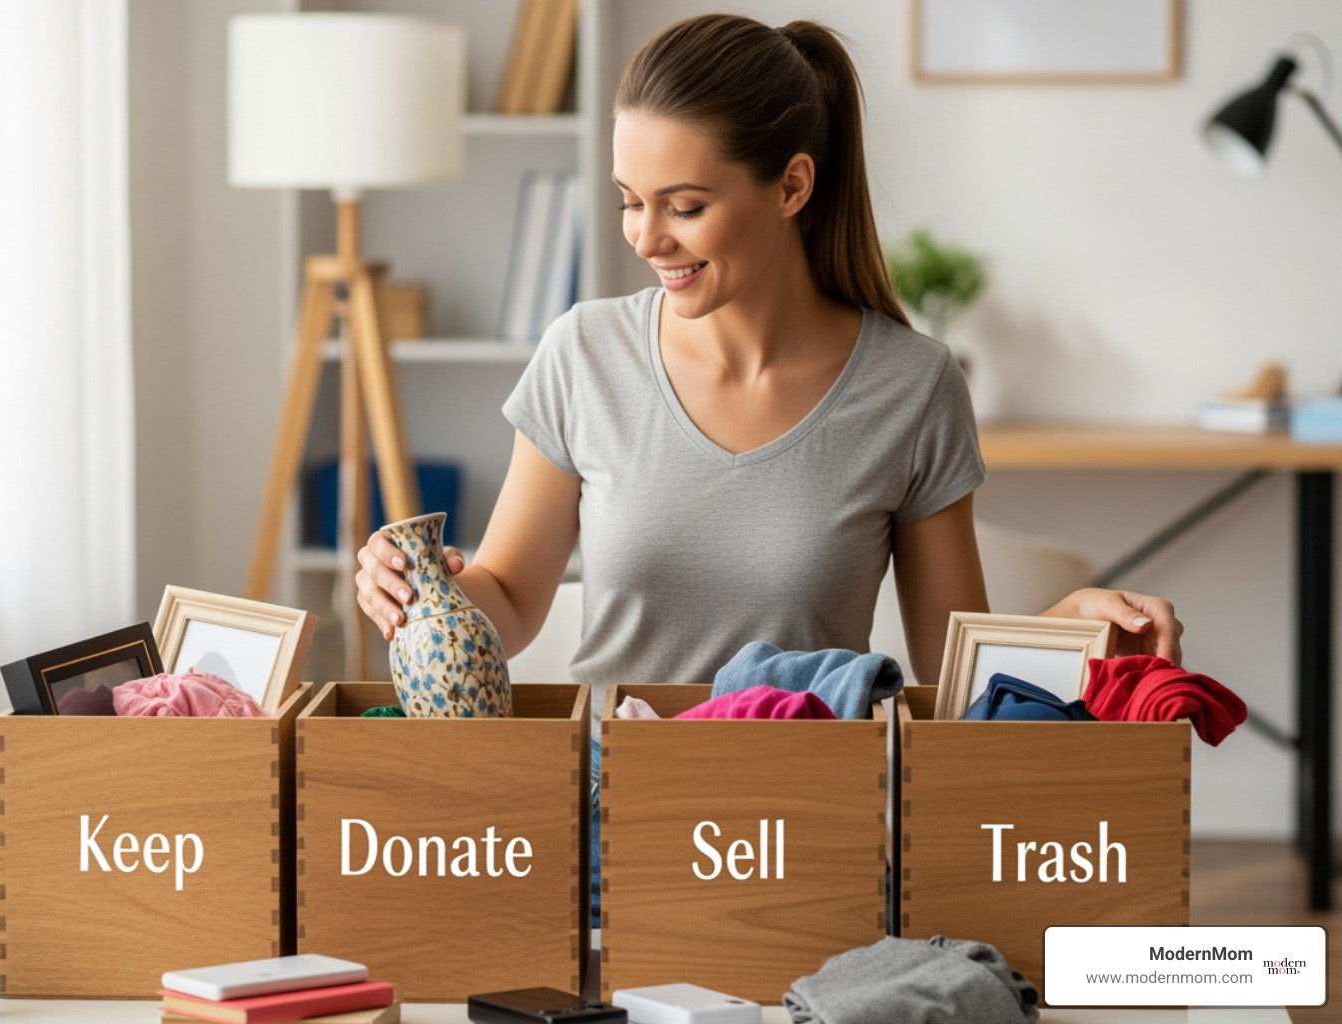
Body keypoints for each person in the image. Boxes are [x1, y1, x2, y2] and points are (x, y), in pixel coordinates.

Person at [355, 14, 1183, 696]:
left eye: (684, 206)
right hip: (617, 803)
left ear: (791, 186)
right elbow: (509, 596)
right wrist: (420, 591)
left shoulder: (912, 386)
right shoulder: (584, 354)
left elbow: (954, 676)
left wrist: (1070, 623)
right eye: (629, 202)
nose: (647, 238)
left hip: (807, 816)